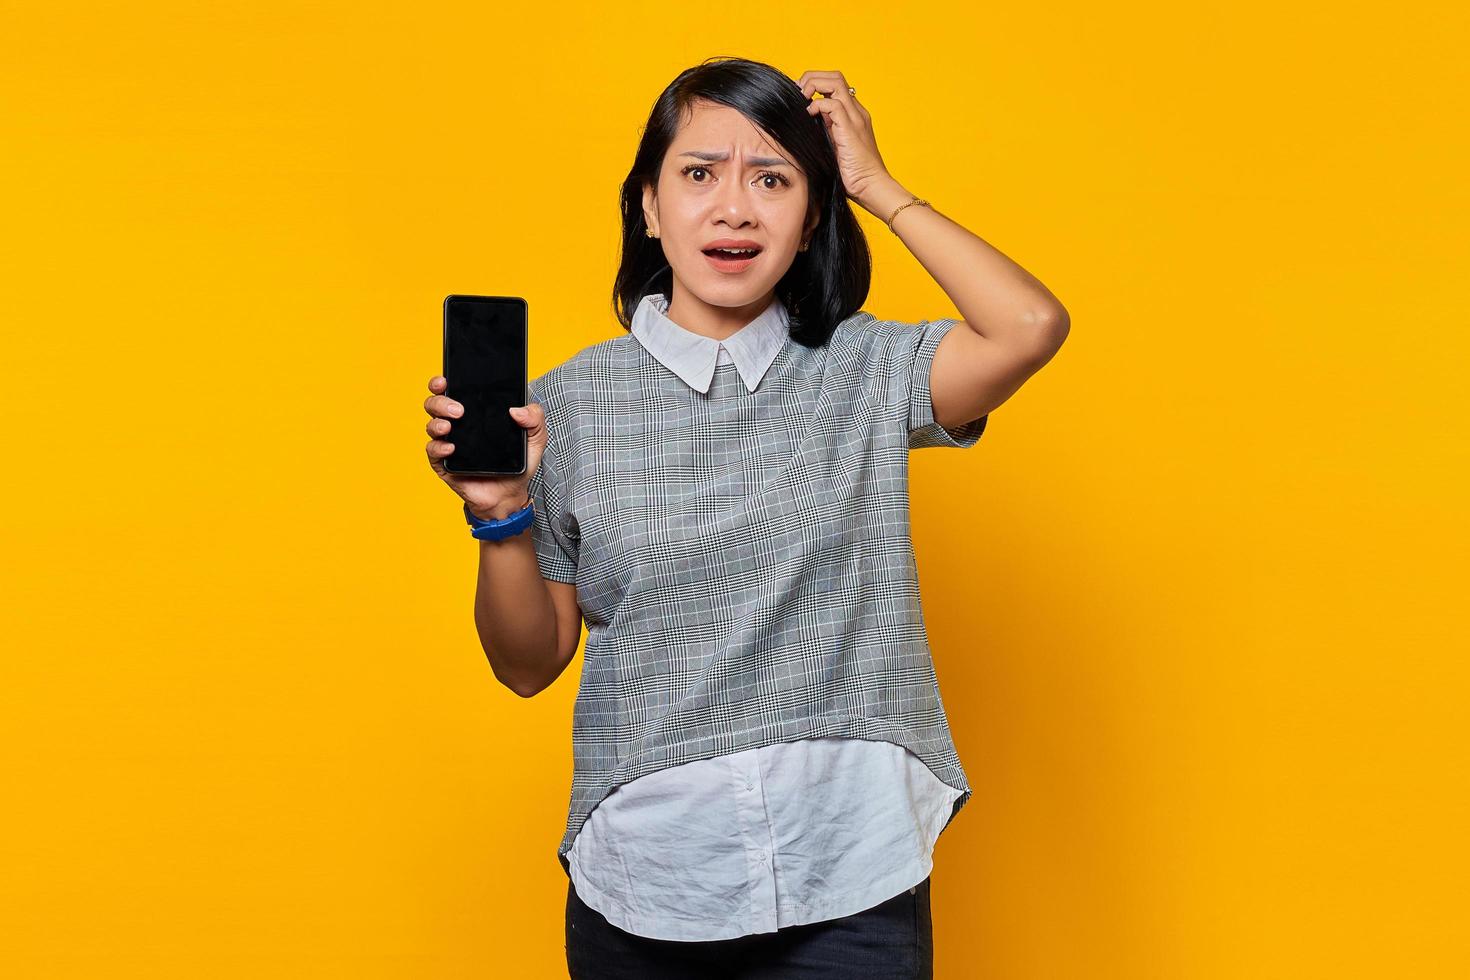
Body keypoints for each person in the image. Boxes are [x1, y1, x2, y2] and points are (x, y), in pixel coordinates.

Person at [424, 56, 1068, 979]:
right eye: (699, 174)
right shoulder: (565, 405)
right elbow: (528, 665)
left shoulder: (864, 368)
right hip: (646, 882)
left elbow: (1029, 326)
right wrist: (499, 516)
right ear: (648, 206)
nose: (734, 209)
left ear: (811, 220)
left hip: (851, 869)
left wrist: (877, 186)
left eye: (773, 179)